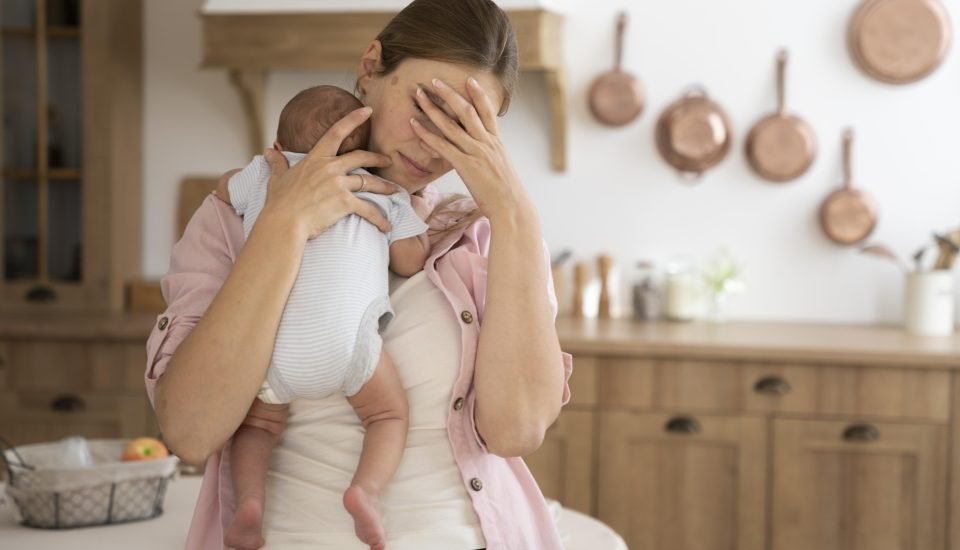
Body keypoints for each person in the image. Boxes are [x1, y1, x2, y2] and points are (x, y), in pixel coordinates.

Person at [144, 0, 573, 548]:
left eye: (463, 127)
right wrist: (283, 226)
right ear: (371, 68)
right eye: (426, 107)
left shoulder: (486, 238)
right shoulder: (235, 220)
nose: (431, 145)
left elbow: (516, 430)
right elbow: (190, 431)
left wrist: (515, 209)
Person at [216, 84, 431, 550]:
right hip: (348, 344)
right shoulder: (382, 190)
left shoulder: (264, 175)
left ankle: (250, 504)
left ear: (277, 148)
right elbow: (411, 261)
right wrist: (413, 213)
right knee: (387, 416)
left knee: (256, 427)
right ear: (368, 154)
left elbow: (221, 191)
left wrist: (258, 169)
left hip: (271, 347)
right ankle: (365, 491)